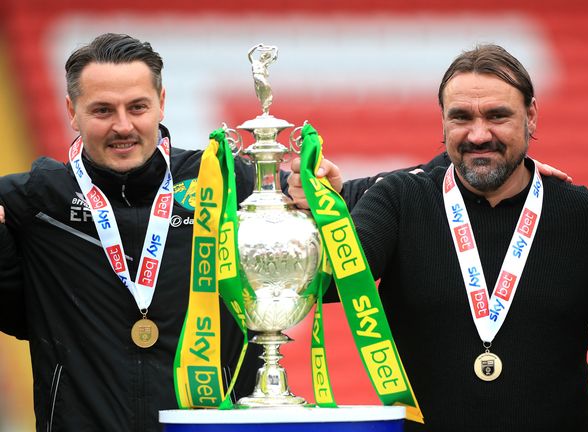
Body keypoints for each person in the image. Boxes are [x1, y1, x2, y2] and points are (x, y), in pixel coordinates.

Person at [0, 33, 362, 431]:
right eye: (103, 110)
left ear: (162, 103)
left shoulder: (225, 183)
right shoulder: (41, 197)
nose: (123, 126)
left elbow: (320, 270)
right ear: (72, 111)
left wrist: (318, 198)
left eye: (137, 107)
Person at [290, 44, 588, 431]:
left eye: (497, 116)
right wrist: (316, 214)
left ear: (531, 117)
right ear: (442, 122)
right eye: (461, 117)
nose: (478, 134)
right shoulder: (400, 201)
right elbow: (323, 283)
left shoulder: (586, 217)